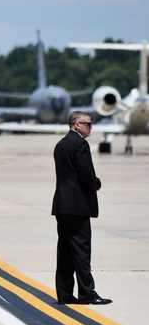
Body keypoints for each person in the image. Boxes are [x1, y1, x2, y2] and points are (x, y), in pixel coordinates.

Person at [52, 111, 111, 305]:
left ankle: (65, 293)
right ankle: (87, 293)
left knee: (66, 251)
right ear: (76, 125)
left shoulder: (60, 144)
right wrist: (97, 183)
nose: (90, 127)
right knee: (82, 251)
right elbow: (86, 175)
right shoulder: (80, 144)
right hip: (77, 206)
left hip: (62, 205)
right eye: (88, 124)